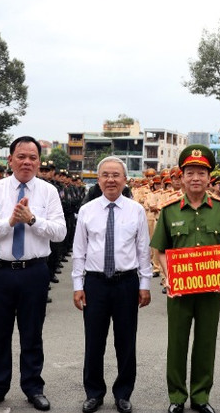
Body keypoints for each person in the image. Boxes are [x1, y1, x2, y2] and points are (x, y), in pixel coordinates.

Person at [0, 136, 66, 411]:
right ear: (10, 159)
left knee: (32, 332)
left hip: (34, 271)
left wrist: (33, 220)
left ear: (38, 161)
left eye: (33, 157)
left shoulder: (48, 192)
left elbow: (60, 231)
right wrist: (10, 221)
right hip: (0, 271)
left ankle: (33, 387)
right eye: (21, 156)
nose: (27, 162)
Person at [151, 145, 220, 413]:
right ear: (182, 177)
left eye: (201, 172)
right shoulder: (169, 209)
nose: (195, 177)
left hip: (210, 290)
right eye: (190, 172)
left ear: (209, 178)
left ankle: (200, 396)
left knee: (205, 342)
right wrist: (169, 277)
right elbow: (160, 250)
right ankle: (177, 396)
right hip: (179, 290)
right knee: (177, 342)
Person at [72, 156, 151, 413]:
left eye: (116, 175)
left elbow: (142, 250)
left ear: (125, 179)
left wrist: (145, 284)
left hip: (126, 282)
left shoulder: (136, 210)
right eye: (105, 175)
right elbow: (79, 251)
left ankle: (123, 393)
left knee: (126, 341)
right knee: (94, 341)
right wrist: (77, 284)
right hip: (95, 283)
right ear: (98, 179)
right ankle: (94, 393)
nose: (111, 180)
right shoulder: (87, 210)